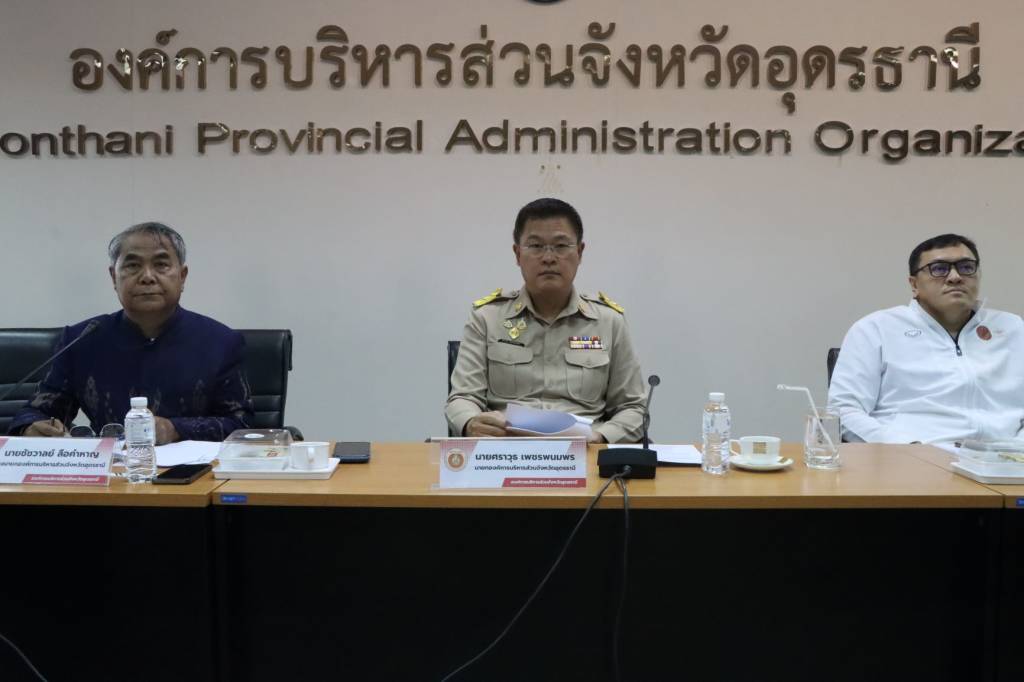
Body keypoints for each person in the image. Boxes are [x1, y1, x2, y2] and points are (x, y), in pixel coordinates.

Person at [8, 222, 252, 443]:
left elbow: (242, 425)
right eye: (133, 265)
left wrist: (174, 429)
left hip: (196, 473)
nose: (147, 277)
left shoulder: (220, 343)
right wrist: (31, 428)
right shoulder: (81, 340)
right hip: (109, 472)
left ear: (182, 276)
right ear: (113, 277)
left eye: (161, 265)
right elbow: (37, 412)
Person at [445, 198, 646, 443]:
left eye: (561, 246)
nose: (549, 257)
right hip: (506, 452)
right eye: (536, 246)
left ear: (580, 252)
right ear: (517, 254)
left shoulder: (608, 322)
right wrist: (470, 422)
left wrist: (601, 437)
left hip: (584, 454)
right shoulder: (487, 318)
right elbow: (462, 397)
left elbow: (633, 408)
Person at [827, 233, 1024, 444]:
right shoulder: (876, 330)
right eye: (939, 269)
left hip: (1007, 457)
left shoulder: (1013, 328)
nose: (955, 277)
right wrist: (905, 448)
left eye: (966, 267)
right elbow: (844, 412)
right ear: (914, 285)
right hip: (912, 455)